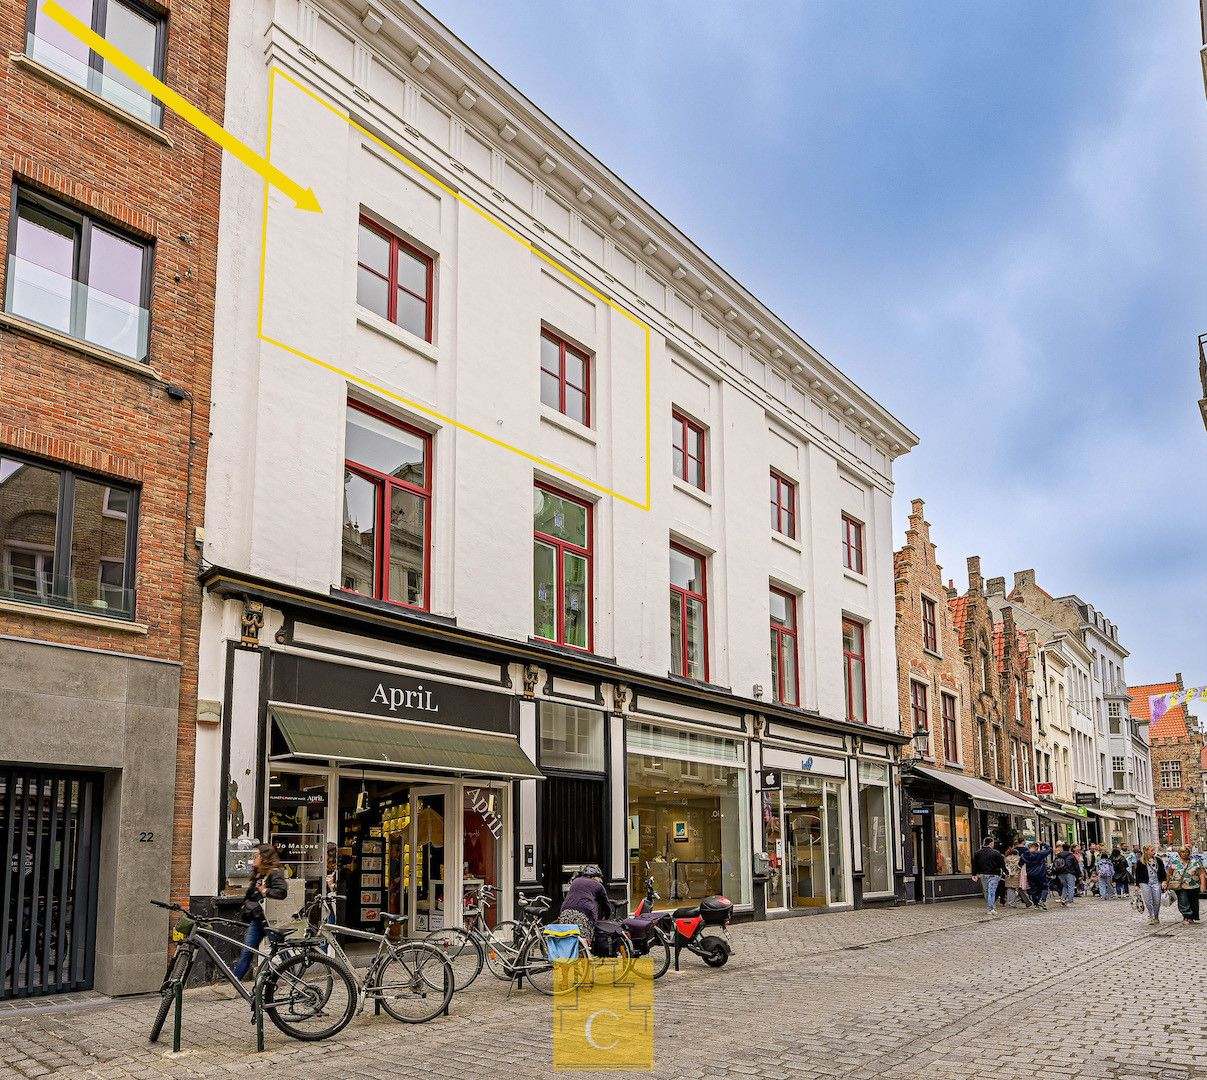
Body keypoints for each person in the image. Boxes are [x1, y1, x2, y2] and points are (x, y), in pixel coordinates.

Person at [233, 844, 288, 981]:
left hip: (269, 919)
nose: (253, 859)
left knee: (280, 949)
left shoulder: (274, 872)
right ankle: (235, 984)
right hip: (258, 918)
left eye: (256, 856)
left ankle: (294, 971)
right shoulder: (259, 873)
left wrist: (265, 891)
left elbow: (282, 892)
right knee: (247, 951)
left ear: (265, 857)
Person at [559, 864, 613, 941]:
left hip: (565, 912)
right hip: (584, 915)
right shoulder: (598, 885)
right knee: (584, 941)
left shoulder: (575, 881)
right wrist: (607, 916)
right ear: (596, 877)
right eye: (600, 878)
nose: (600, 880)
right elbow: (606, 903)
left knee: (567, 940)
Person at [1166, 845, 1206, 926]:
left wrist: (1203, 884)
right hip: (1180, 885)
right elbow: (1169, 872)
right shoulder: (1175, 861)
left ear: (1189, 852)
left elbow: (1201, 873)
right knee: (1183, 901)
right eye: (1182, 852)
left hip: (1193, 885)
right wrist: (1167, 882)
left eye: (1186, 852)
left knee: (1193, 902)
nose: (1184, 854)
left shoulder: (1195, 861)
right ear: (1179, 853)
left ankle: (1192, 917)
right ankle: (1186, 916)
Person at [1133, 845, 1166, 925]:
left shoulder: (1158, 860)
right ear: (1146, 851)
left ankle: (1156, 916)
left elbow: (1162, 871)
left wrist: (1163, 881)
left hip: (1156, 882)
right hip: (1145, 882)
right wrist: (1137, 885)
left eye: (1154, 850)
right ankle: (1152, 916)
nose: (1154, 852)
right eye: (1151, 850)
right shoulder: (1141, 861)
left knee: (1157, 900)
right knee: (1148, 900)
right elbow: (1138, 874)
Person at [971, 839, 1006, 915]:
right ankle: (991, 908)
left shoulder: (977, 853)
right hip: (994, 874)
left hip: (983, 874)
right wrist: (1006, 872)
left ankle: (991, 906)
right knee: (992, 891)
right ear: (991, 843)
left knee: (986, 891)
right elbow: (1002, 864)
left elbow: (974, 864)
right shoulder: (996, 853)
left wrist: (974, 874)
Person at [1016, 842, 1053, 910]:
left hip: (1030, 874)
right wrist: (1043, 844)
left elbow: (1020, 864)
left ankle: (1036, 904)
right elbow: (1050, 849)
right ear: (1036, 848)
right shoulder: (1040, 854)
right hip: (1040, 873)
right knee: (1044, 887)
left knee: (1033, 889)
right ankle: (1042, 900)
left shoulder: (1024, 855)